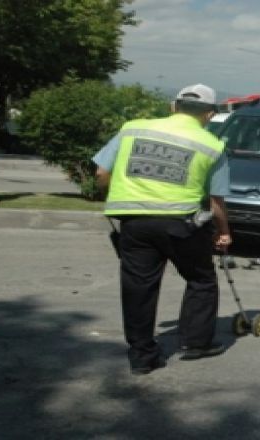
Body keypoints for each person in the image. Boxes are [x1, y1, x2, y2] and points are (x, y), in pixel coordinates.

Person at [93, 84, 232, 375]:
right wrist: (223, 231)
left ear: (173, 107)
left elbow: (101, 173)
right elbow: (217, 200)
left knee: (138, 286)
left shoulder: (133, 129)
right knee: (200, 279)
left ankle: (142, 357)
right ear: (208, 115)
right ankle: (196, 343)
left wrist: (113, 194)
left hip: (134, 223)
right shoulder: (212, 145)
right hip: (181, 224)